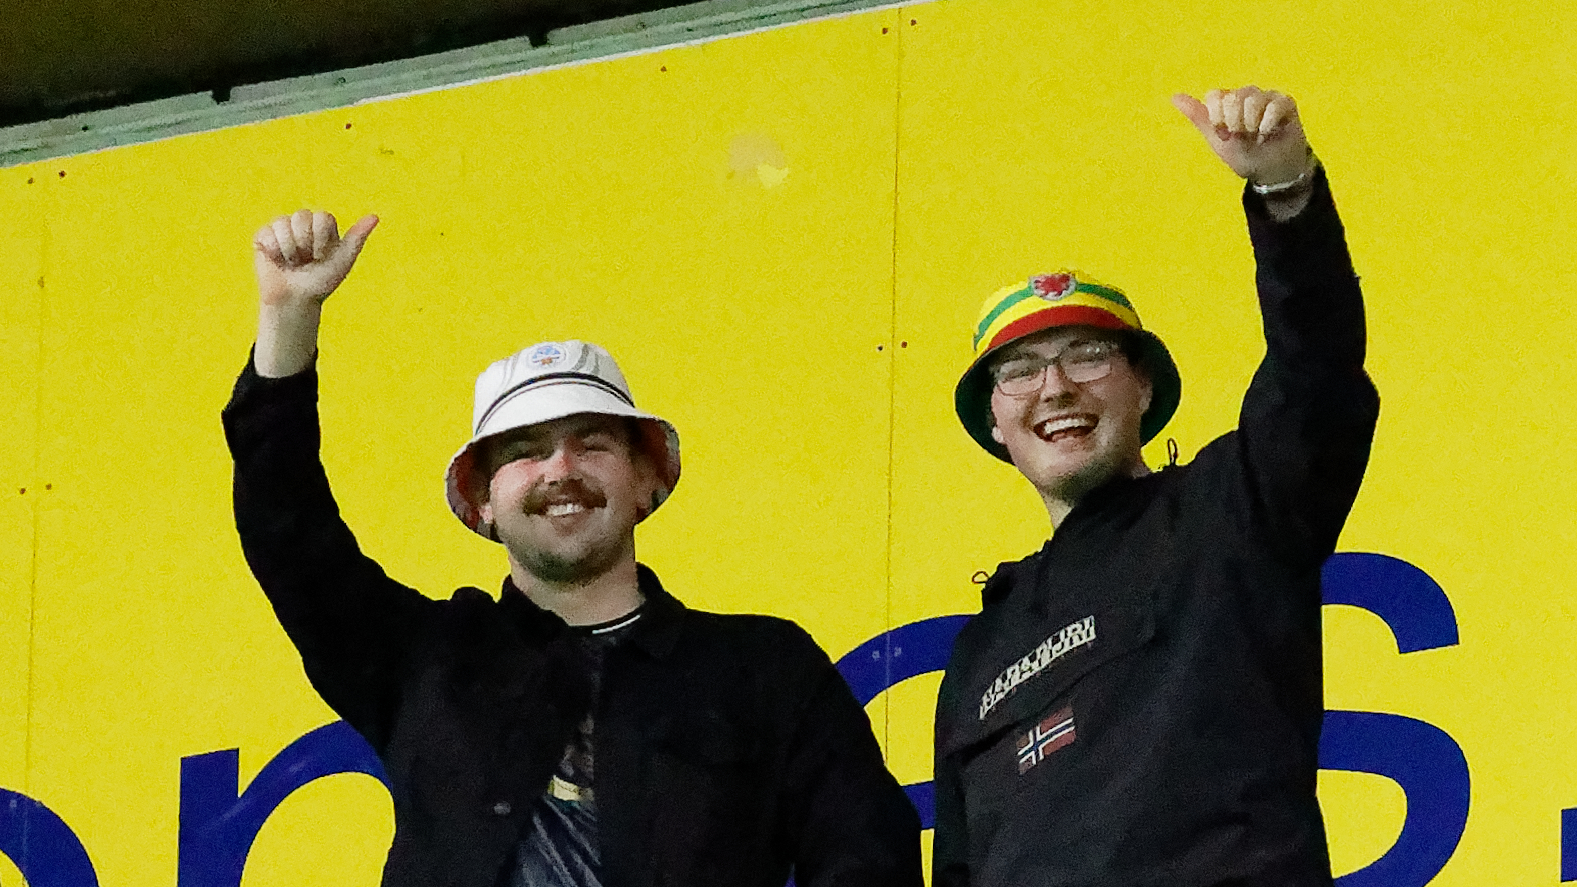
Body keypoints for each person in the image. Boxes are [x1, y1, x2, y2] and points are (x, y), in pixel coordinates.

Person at [222, 210, 922, 887]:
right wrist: (289, 317)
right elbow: (288, 529)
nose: (560, 470)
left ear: (648, 477)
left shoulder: (764, 670)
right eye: (525, 452)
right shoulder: (421, 662)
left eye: (590, 441)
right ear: (482, 500)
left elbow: (868, 856)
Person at [932, 87, 1380, 886]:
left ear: (1144, 387)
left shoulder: (1228, 507)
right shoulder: (977, 652)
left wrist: (1284, 192)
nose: (1055, 387)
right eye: (1021, 371)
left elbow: (1315, 372)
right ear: (993, 423)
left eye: (1087, 356)